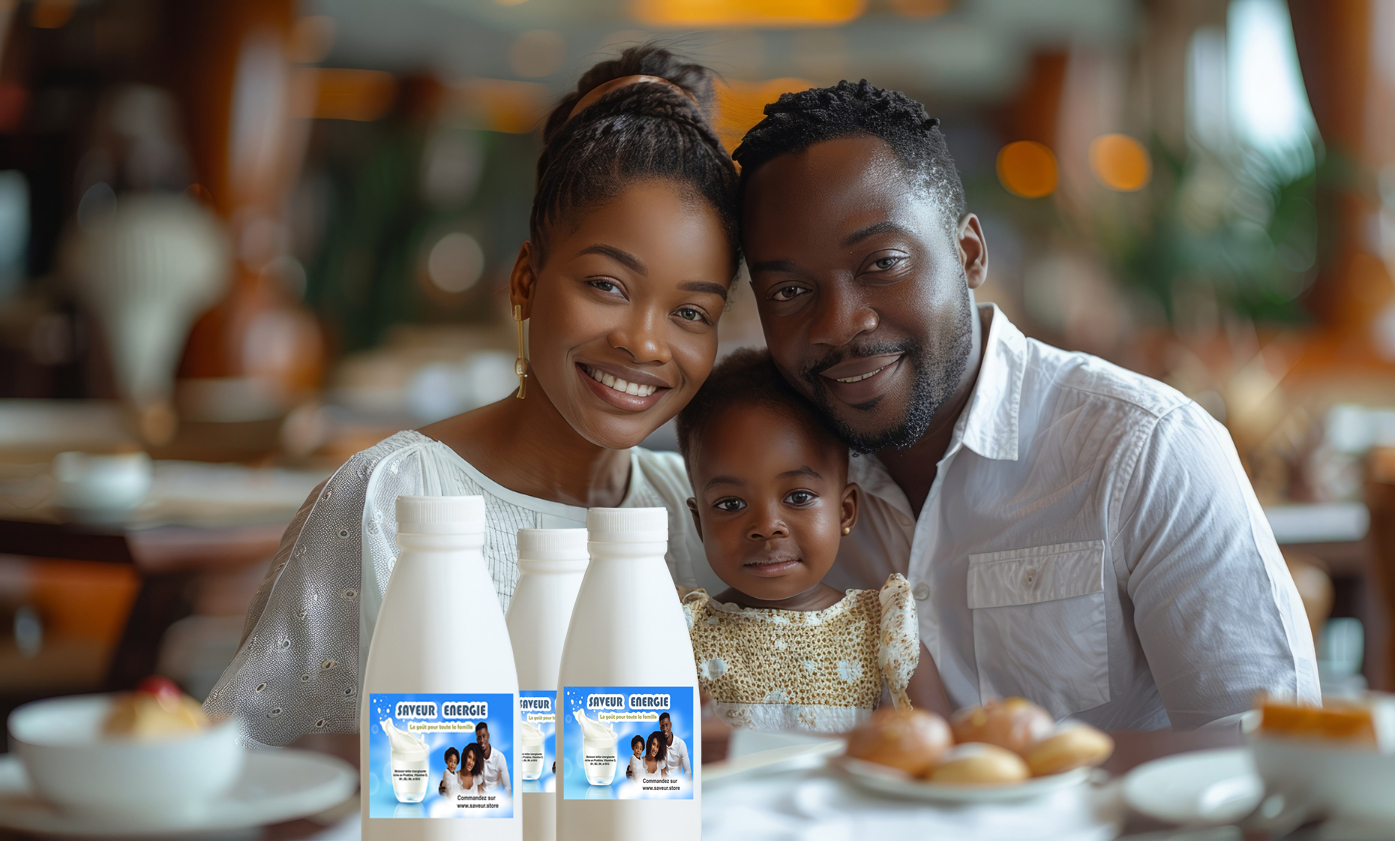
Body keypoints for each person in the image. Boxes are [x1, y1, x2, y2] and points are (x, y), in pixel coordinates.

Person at [732, 80, 1320, 731]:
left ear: (968, 254)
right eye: (788, 290)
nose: (839, 324)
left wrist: (1018, 781)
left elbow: (1268, 760)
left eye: (881, 262)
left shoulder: (1145, 449)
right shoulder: (750, 489)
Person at [204, 46, 742, 746]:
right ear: (525, 279)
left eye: (691, 312)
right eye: (607, 286)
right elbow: (251, 757)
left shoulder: (701, 515)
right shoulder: (395, 495)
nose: (644, 343)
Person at [678, 351, 950, 733]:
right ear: (699, 522)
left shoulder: (882, 632)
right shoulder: (681, 635)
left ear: (845, 511)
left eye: (798, 497)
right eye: (731, 504)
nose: (767, 526)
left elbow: (938, 753)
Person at [477, 722, 510, 796]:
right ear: (477, 739)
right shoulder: (475, 758)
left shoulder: (499, 757)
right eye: (479, 738)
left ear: (488, 736)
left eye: (484, 736)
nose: (482, 740)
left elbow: (507, 789)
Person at [657, 711, 694, 777]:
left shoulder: (681, 744)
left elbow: (688, 773)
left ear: (670, 725)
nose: (665, 729)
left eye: (666, 725)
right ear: (660, 728)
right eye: (662, 726)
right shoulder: (658, 746)